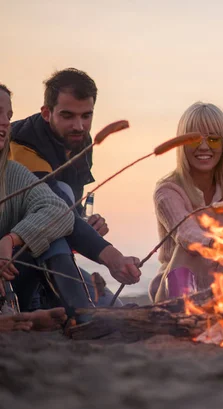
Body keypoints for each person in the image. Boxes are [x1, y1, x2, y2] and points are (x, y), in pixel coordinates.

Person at [9, 68, 141, 306]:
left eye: (86, 116)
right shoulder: (23, 145)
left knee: (113, 308)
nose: (79, 126)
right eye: (68, 115)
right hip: (15, 259)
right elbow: (57, 211)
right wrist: (114, 258)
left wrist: (86, 223)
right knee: (61, 195)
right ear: (47, 113)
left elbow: (69, 214)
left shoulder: (80, 141)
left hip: (54, 255)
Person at [149, 102, 223, 303]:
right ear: (181, 144)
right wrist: (221, 244)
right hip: (175, 288)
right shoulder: (167, 190)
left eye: (214, 140)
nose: (204, 147)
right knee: (189, 248)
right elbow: (187, 234)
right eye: (194, 140)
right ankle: (182, 312)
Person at [0, 82, 70, 330]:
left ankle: (75, 313)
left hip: (9, 283)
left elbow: (59, 211)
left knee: (54, 230)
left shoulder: (12, 173)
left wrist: (12, 239)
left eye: (9, 115)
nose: (6, 122)